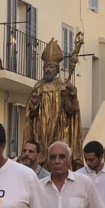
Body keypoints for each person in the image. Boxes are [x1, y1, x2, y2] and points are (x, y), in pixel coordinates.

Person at [25, 39, 82, 169]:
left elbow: (71, 110)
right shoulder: (38, 87)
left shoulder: (63, 87)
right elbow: (31, 115)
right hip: (41, 131)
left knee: (58, 156)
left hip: (61, 130)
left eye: (51, 67)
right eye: (46, 67)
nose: (48, 70)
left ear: (57, 69)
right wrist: (33, 105)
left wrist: (72, 94)